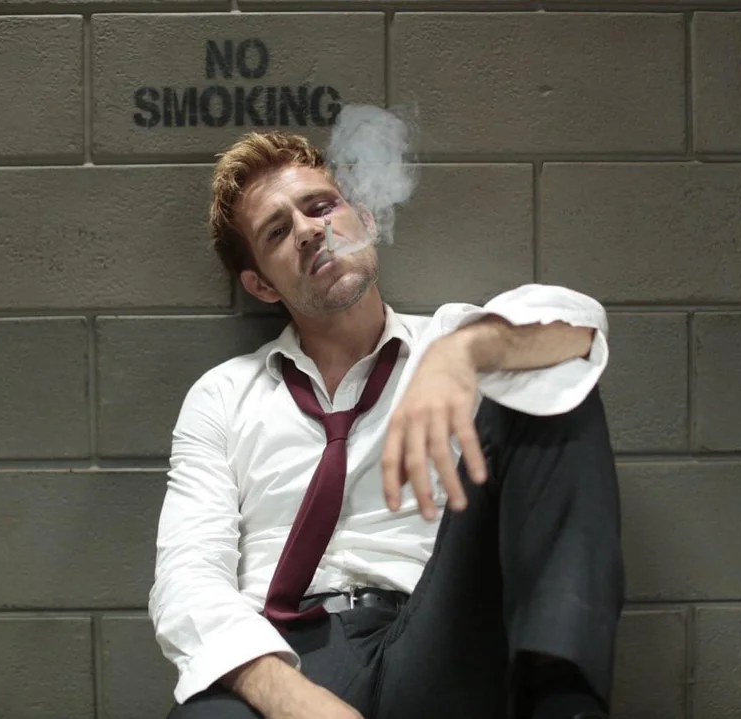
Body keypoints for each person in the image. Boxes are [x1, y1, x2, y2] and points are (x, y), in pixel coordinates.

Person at [149, 130, 625, 719]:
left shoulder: (452, 340)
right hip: (283, 655)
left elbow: (580, 331)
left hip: (435, 636)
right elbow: (187, 577)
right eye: (277, 231)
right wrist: (290, 698)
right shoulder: (223, 395)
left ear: (366, 220)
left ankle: (562, 703)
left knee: (549, 376)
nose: (309, 230)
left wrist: (466, 352)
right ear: (261, 284)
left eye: (321, 206)